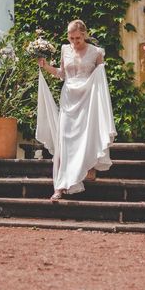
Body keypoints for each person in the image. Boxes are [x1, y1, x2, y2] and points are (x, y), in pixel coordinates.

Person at [36, 19, 116, 200]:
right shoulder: (65, 50)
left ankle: (86, 167)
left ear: (85, 35)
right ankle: (60, 185)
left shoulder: (96, 52)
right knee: (64, 140)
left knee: (85, 137)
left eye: (78, 38)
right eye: (71, 38)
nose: (74, 42)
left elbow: (101, 81)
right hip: (68, 99)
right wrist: (45, 66)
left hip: (87, 99)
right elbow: (61, 74)